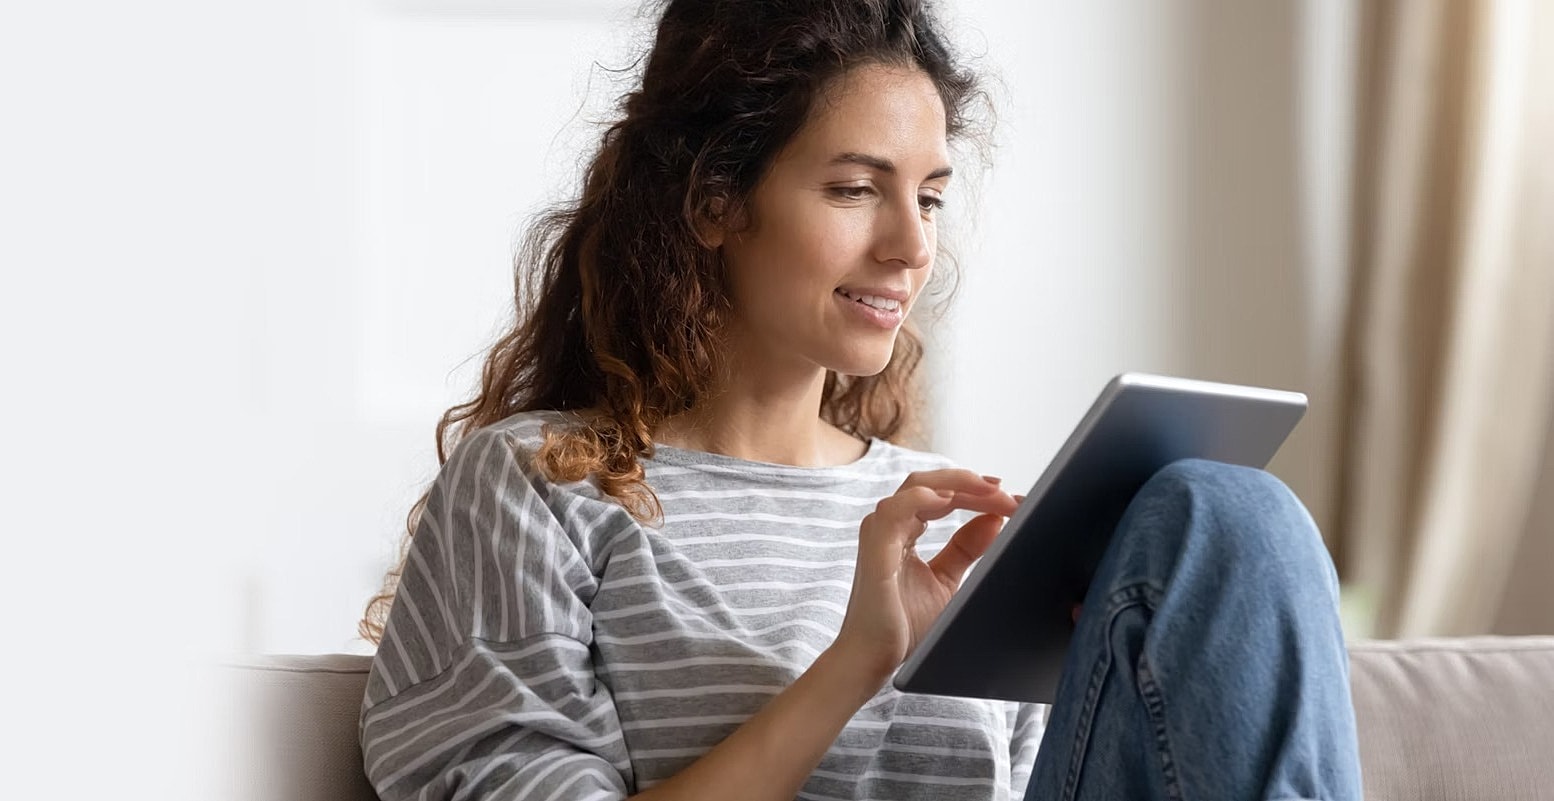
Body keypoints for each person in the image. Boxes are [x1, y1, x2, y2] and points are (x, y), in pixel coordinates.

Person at [357, 0, 1365, 799]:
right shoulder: (538, 488)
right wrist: (859, 662)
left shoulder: (938, 520)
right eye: (854, 188)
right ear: (714, 200)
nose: (912, 246)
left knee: (1226, 512)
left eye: (928, 195)